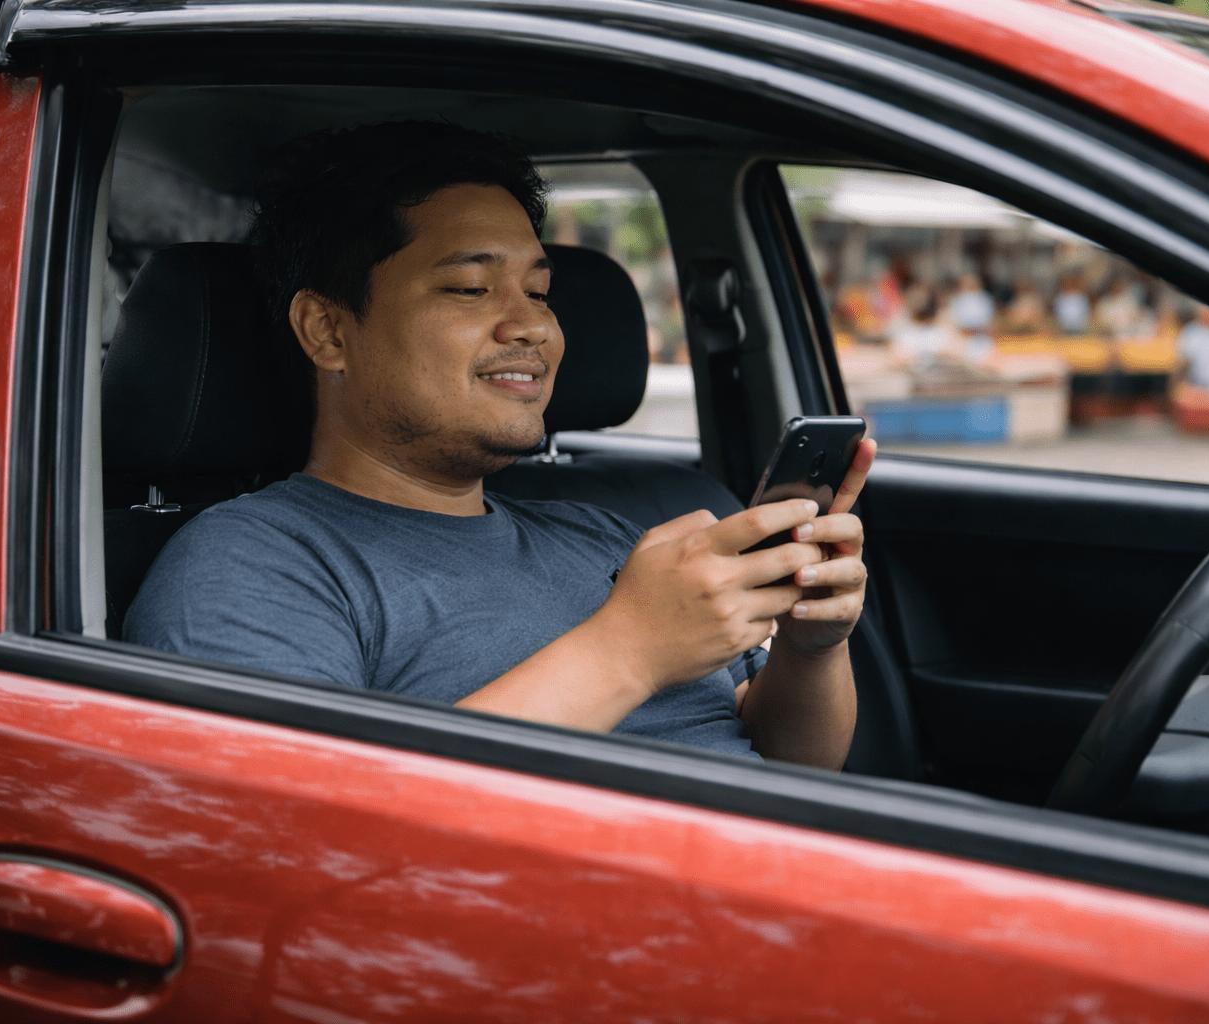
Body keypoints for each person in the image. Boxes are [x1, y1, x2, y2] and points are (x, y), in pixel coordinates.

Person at [125, 122, 874, 769]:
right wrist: (628, 650)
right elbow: (303, 836)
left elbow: (791, 765)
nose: (534, 327)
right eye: (469, 289)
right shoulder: (252, 563)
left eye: (539, 293)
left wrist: (812, 650)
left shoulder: (606, 535)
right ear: (328, 330)